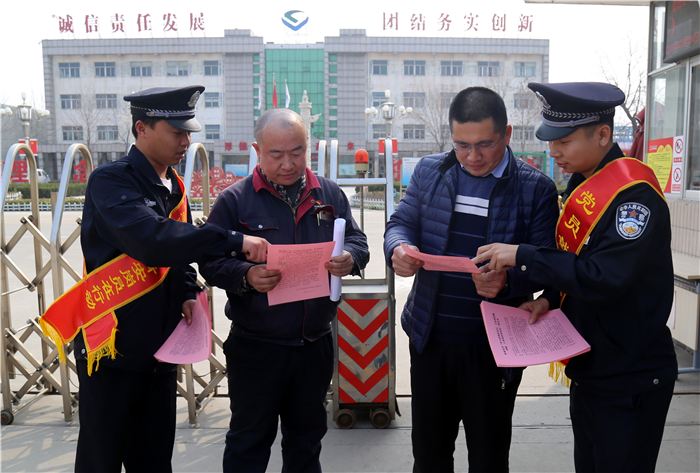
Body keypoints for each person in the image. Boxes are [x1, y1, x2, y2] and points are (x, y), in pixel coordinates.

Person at [40, 85, 269, 473]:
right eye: (176, 132)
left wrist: (184, 289)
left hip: (159, 351)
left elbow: (177, 252)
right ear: (142, 128)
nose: (186, 141)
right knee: (102, 459)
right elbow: (152, 241)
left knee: (154, 459)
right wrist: (233, 240)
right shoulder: (111, 182)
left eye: (189, 133)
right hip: (113, 349)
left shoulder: (173, 186)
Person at [474, 82, 678, 473]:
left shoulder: (634, 199)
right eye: (551, 141)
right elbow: (575, 258)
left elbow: (603, 278)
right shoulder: (583, 182)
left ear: (603, 135)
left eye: (564, 141)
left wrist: (524, 256)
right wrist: (549, 297)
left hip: (629, 375)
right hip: (592, 367)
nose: (553, 152)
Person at [383, 87, 559, 472]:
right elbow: (401, 223)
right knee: (429, 454)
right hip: (430, 338)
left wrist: (508, 284)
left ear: (507, 135)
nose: (472, 156)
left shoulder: (535, 189)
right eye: (461, 145)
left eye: (484, 145)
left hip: (493, 351)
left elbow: (547, 265)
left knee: (489, 456)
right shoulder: (431, 171)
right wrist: (398, 248)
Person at [199, 108, 369, 473]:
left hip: (313, 344)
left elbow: (357, 238)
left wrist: (351, 258)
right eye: (277, 154)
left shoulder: (329, 194)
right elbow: (209, 261)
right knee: (249, 441)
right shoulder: (235, 200)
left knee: (306, 441)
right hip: (256, 346)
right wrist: (246, 275)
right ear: (257, 150)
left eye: (298, 151)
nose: (289, 163)